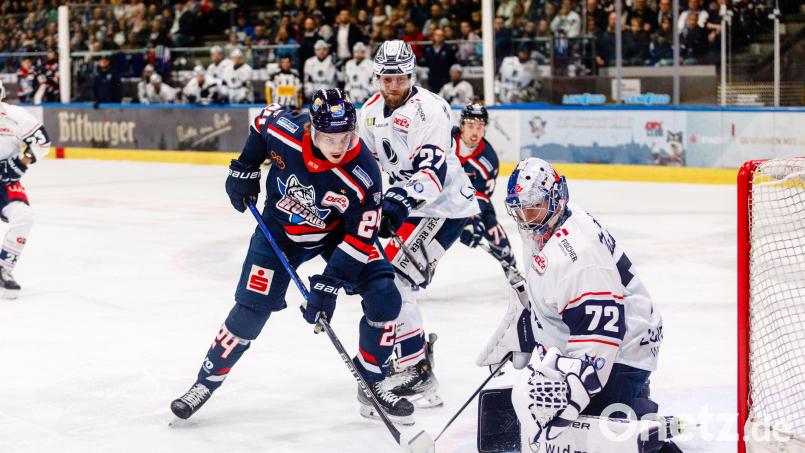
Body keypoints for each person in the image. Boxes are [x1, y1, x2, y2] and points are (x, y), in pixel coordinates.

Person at [170, 90, 415, 425]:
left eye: (346, 136)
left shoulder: (364, 173)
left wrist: (328, 286)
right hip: (280, 235)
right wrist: (244, 167)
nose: (339, 145)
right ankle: (204, 382)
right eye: (330, 137)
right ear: (312, 129)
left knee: (385, 295)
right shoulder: (285, 129)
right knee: (250, 312)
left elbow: (361, 238)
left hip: (336, 235)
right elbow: (261, 122)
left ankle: (372, 379)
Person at [477, 157, 666, 449]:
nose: (525, 218)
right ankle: (634, 409)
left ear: (555, 198)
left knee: (607, 438)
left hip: (620, 354)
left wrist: (572, 399)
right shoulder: (552, 220)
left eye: (533, 208)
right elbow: (554, 290)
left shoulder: (580, 259)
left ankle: (641, 419)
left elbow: (602, 337)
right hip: (610, 339)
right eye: (519, 210)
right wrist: (530, 325)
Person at [358, 40, 479, 407]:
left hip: (443, 208)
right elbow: (361, 164)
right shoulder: (368, 111)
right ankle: (409, 357)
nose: (393, 85)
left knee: (396, 278)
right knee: (382, 275)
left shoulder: (430, 110)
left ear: (412, 75)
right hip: (407, 208)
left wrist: (398, 200)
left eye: (400, 77)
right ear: (378, 77)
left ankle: (417, 371)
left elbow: (431, 172)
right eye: (387, 78)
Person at [452, 103, 521, 286]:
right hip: (436, 195)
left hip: (468, 199)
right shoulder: (445, 141)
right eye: (470, 126)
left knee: (490, 224)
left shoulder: (488, 160)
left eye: (480, 127)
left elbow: (481, 196)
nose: (475, 132)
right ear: (461, 126)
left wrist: (472, 218)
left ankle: (511, 268)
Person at [0, 81, 50, 297]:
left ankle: (4, 269)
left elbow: (42, 143)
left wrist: (20, 162)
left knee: (24, 217)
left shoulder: (16, 117)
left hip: (4, 180)